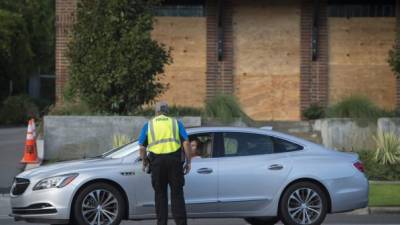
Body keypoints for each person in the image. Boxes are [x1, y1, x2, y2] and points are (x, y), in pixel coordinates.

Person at [138, 101, 192, 225]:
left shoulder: (149, 125)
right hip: (174, 162)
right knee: (177, 195)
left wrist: (144, 161)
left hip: (157, 163)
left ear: (156, 112)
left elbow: (141, 147)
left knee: (160, 195)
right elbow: (186, 143)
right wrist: (188, 161)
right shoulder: (176, 123)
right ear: (167, 112)